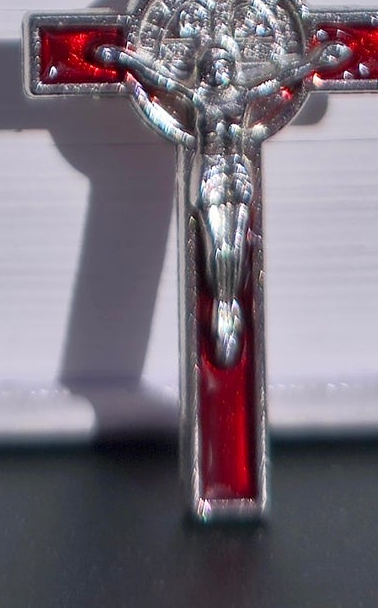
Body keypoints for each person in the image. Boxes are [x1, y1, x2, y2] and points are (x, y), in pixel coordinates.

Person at [99, 25, 348, 365]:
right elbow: (159, 79)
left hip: (238, 172)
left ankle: (231, 305)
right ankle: (221, 301)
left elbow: (281, 79)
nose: (219, 70)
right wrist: (124, 58)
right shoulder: (198, 98)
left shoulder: (242, 96)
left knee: (238, 248)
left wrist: (317, 60)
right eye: (213, 65)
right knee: (218, 247)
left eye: (224, 64)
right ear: (204, 70)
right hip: (211, 172)